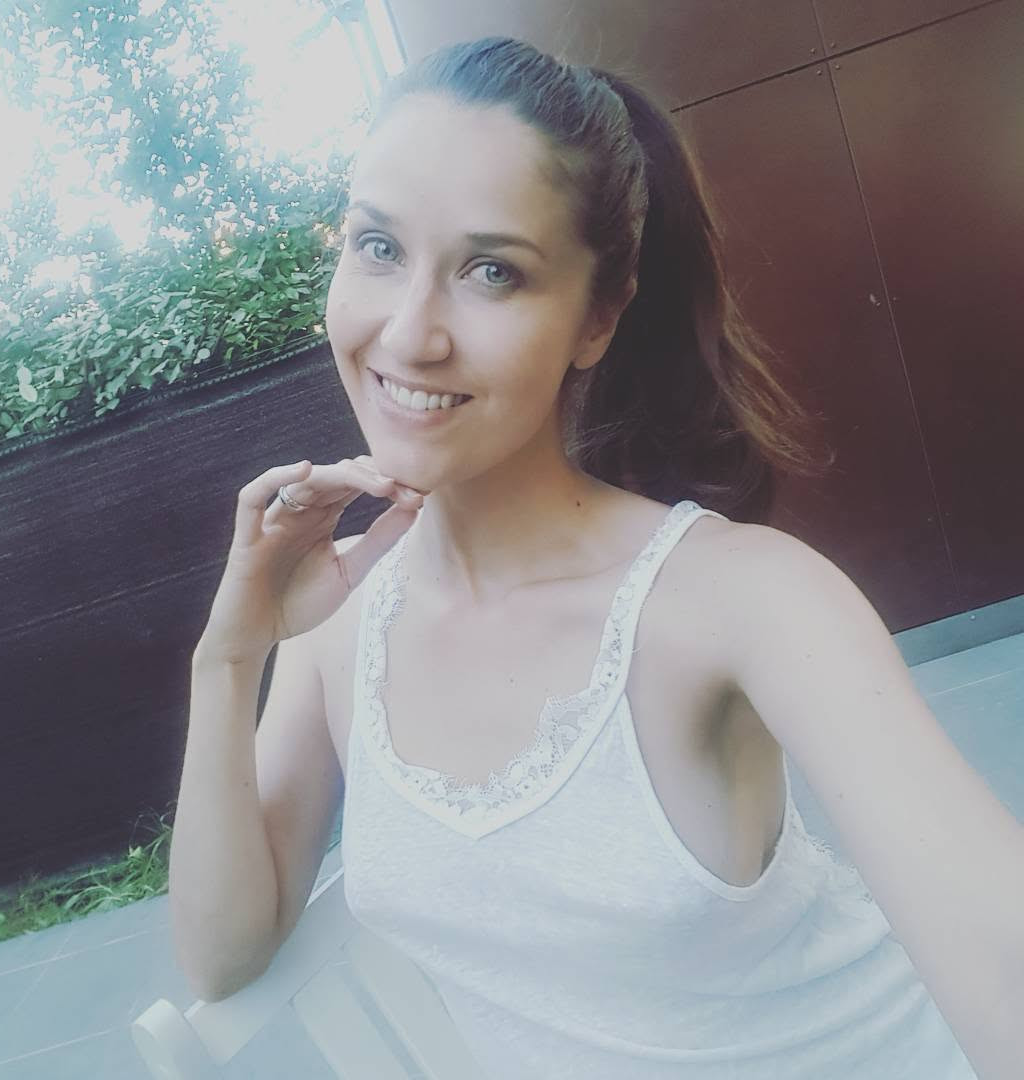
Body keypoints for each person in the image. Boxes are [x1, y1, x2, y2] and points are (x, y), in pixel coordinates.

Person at [168, 36, 1021, 1080]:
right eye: (377, 246)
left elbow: (998, 954)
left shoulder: (742, 597)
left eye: (492, 271)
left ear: (597, 318)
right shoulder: (334, 614)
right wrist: (228, 658)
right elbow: (221, 956)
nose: (411, 332)